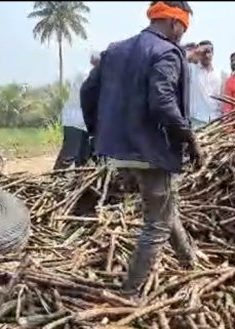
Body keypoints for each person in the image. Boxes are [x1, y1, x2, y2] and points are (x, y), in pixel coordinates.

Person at [80, 0, 202, 299]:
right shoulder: (167, 52)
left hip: (118, 148)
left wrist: (99, 132)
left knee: (163, 206)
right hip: (151, 149)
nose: (181, 36)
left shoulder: (115, 50)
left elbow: (87, 91)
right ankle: (131, 293)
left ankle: (190, 262)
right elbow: (162, 102)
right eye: (183, 30)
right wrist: (189, 139)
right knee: (156, 223)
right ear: (175, 23)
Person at [54, 52, 100, 170]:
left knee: (83, 154)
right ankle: (57, 176)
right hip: (75, 119)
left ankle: (80, 180)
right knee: (70, 152)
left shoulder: (91, 74)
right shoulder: (87, 74)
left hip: (83, 120)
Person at [187, 40, 223, 129]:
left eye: (208, 52)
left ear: (213, 53)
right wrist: (196, 51)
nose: (206, 56)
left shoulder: (221, 73)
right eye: (203, 53)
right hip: (196, 120)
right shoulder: (191, 70)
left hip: (216, 120)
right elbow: (179, 59)